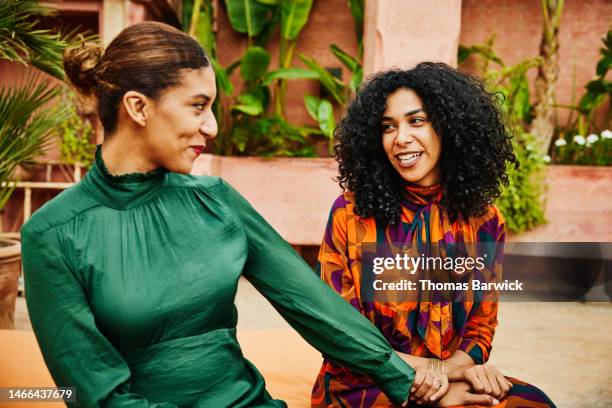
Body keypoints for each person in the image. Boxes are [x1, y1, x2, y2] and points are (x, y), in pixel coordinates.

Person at [21, 22, 420, 408]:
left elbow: (315, 306)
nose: (211, 126)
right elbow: (96, 394)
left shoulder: (217, 201)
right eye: (198, 106)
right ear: (138, 107)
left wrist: (409, 381)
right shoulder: (53, 234)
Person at [311, 63, 557, 408]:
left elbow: (480, 328)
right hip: (365, 382)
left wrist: (455, 372)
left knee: (534, 402)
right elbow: (341, 335)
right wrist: (437, 379)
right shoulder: (350, 214)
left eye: (416, 121)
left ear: (448, 126)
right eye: (388, 127)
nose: (400, 138)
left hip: (450, 371)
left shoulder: (485, 221)